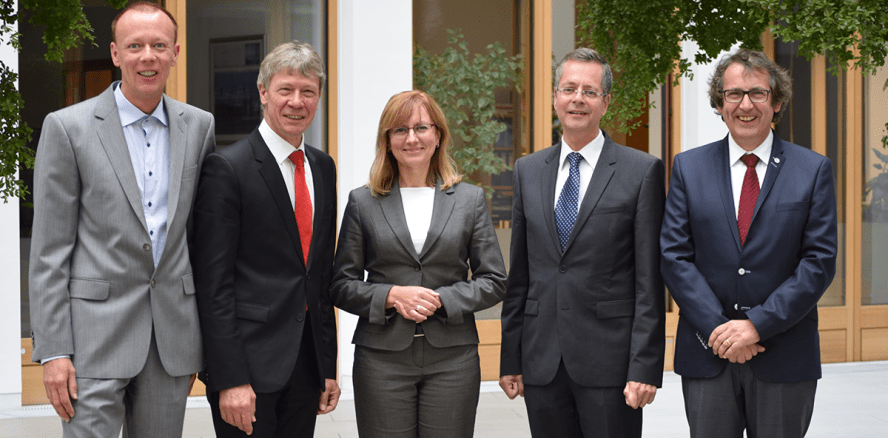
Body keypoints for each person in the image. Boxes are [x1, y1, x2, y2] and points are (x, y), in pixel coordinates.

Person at [27, 2, 215, 436]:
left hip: (170, 341)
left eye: (159, 46)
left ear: (175, 53)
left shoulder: (199, 126)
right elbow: (49, 252)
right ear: (115, 53)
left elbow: (202, 241)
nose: (147, 56)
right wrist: (54, 350)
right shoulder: (67, 128)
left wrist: (200, 341)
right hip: (92, 342)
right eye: (135, 46)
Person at [660, 48, 838, 437]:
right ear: (719, 104)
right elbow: (674, 257)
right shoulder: (688, 168)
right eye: (734, 94)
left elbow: (819, 262)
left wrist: (756, 325)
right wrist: (721, 330)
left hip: (784, 354)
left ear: (777, 102)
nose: (745, 105)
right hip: (708, 353)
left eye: (757, 93)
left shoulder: (812, 170)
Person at [499, 48, 666, 438]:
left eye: (589, 91)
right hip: (541, 362)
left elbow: (649, 282)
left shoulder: (641, 171)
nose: (578, 99)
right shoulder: (527, 170)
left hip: (611, 366)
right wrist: (511, 358)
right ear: (555, 98)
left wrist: (644, 367)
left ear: (605, 102)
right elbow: (519, 276)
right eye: (569, 89)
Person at [330, 90, 507, 437]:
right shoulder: (363, 202)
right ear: (388, 140)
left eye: (421, 128)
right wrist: (391, 296)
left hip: (453, 360)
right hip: (381, 361)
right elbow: (341, 285)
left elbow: (494, 279)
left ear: (438, 135)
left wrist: (442, 299)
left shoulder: (469, 199)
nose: (411, 138)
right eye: (400, 130)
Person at [192, 41, 340, 437]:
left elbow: (319, 277)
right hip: (248, 368)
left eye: (308, 91)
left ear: (319, 97)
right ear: (263, 92)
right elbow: (213, 286)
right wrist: (230, 378)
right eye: (285, 89)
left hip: (306, 366)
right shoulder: (228, 168)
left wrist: (326, 366)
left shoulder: (323, 167)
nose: (296, 102)